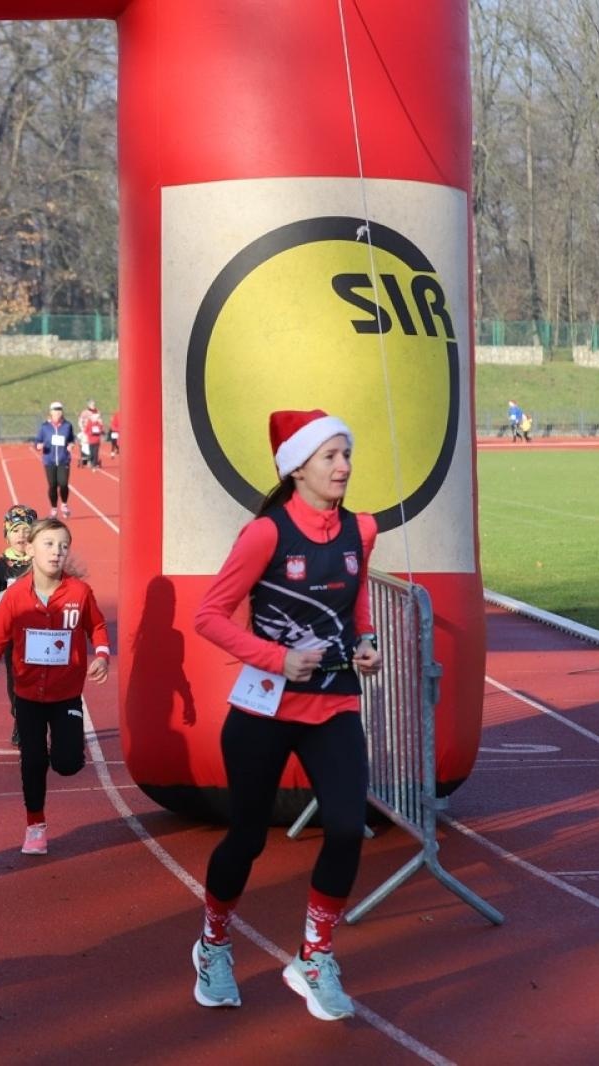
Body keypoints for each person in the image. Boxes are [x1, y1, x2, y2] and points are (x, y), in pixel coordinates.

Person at [189, 408, 382, 1022]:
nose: (343, 467)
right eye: (330, 457)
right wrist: (277, 659)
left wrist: (367, 643)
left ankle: (315, 955)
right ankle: (213, 945)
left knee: (348, 828)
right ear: (297, 468)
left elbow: (356, 607)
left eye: (346, 455)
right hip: (265, 709)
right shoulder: (266, 535)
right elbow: (209, 615)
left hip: (335, 705)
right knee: (246, 838)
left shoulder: (363, 531)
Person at [0, 517, 110, 856]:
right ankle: (35, 825)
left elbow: (96, 625)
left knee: (67, 764)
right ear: (32, 549)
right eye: (49, 544)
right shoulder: (15, 596)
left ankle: (70, 742)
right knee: (32, 760)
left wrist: (102, 655)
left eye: (63, 546)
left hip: (66, 692)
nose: (56, 552)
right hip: (27, 694)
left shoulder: (79, 592)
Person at [0, 504, 36, 747]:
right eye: (15, 530)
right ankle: (20, 721)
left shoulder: (43, 562)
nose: (21, 536)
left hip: (40, 633)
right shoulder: (1, 565)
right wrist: (4, 596)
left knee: (40, 679)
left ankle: (42, 722)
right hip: (13, 635)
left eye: (27, 530)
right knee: (15, 680)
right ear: (7, 534)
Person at [34, 401, 76, 518]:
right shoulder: (45, 427)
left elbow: (72, 439)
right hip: (49, 460)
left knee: (63, 484)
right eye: (55, 410)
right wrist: (38, 446)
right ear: (51, 412)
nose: (57, 412)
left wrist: (71, 445)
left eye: (59, 410)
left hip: (63, 460)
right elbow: (37, 441)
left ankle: (64, 504)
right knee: (52, 485)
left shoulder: (67, 425)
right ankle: (53, 508)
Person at [78, 399, 105, 469]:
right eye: (92, 404)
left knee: (94, 447)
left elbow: (100, 422)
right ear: (89, 405)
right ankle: (85, 459)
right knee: (85, 446)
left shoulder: (98, 412)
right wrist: (83, 429)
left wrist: (101, 429)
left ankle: (93, 461)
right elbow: (80, 421)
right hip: (86, 431)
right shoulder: (84, 412)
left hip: (95, 433)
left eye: (94, 404)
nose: (93, 405)